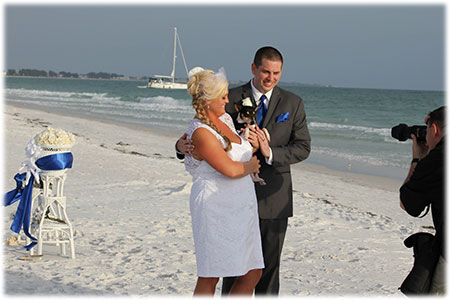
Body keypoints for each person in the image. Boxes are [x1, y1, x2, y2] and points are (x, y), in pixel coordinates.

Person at [177, 47, 311, 295]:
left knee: (265, 269)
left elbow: (303, 148)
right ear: (253, 68)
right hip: (225, 201)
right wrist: (179, 145)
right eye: (265, 71)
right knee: (229, 269)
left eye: (276, 73)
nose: (270, 78)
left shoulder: (293, 103)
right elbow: (200, 132)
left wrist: (269, 152)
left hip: (273, 198)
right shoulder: (229, 96)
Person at [183, 68, 264, 296]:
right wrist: (251, 166)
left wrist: (252, 146)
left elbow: (235, 151)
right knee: (211, 274)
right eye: (223, 96)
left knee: (253, 271)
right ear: (208, 100)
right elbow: (228, 169)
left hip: (240, 206)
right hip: (214, 206)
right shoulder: (201, 132)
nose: (228, 100)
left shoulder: (226, 119)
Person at [400, 106, 446, 295]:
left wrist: (418, 159)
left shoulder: (438, 159)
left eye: (426, 130)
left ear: (434, 129)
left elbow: (408, 203)